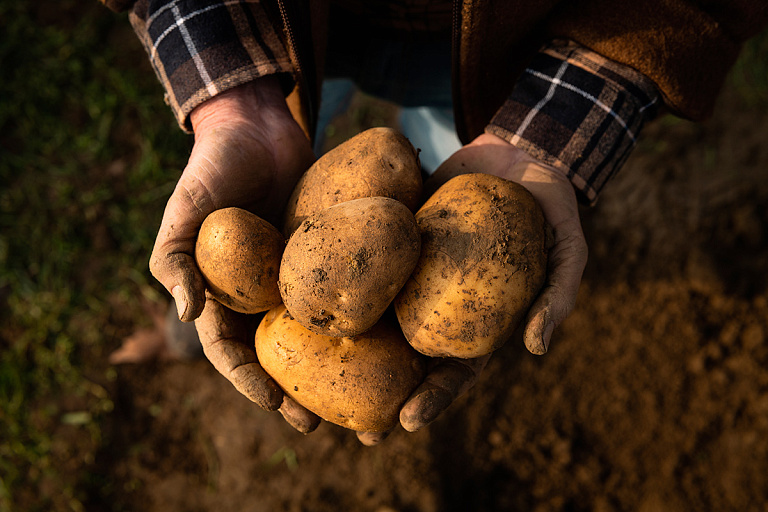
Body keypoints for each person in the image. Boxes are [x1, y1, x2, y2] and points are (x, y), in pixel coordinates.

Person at [101, 0, 768, 445]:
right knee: (230, 234)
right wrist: (231, 98)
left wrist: (544, 142)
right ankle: (183, 332)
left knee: (445, 158)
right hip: (279, 25)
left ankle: (187, 326)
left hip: (518, 57)